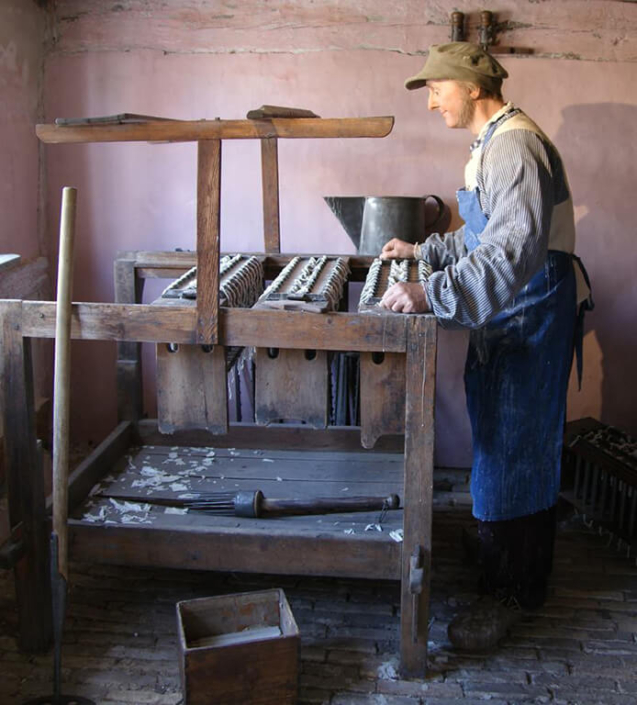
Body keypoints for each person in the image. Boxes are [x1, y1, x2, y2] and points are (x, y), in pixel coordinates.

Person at [379, 42, 593, 651]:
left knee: (518, 446)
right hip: (511, 309)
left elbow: (512, 251)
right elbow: (482, 233)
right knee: (501, 436)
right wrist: (426, 253)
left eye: (436, 87)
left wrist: (432, 292)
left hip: (528, 309)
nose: (430, 101)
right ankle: (501, 544)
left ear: (473, 86)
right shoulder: (493, 143)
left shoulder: (516, 145)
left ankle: (515, 590)